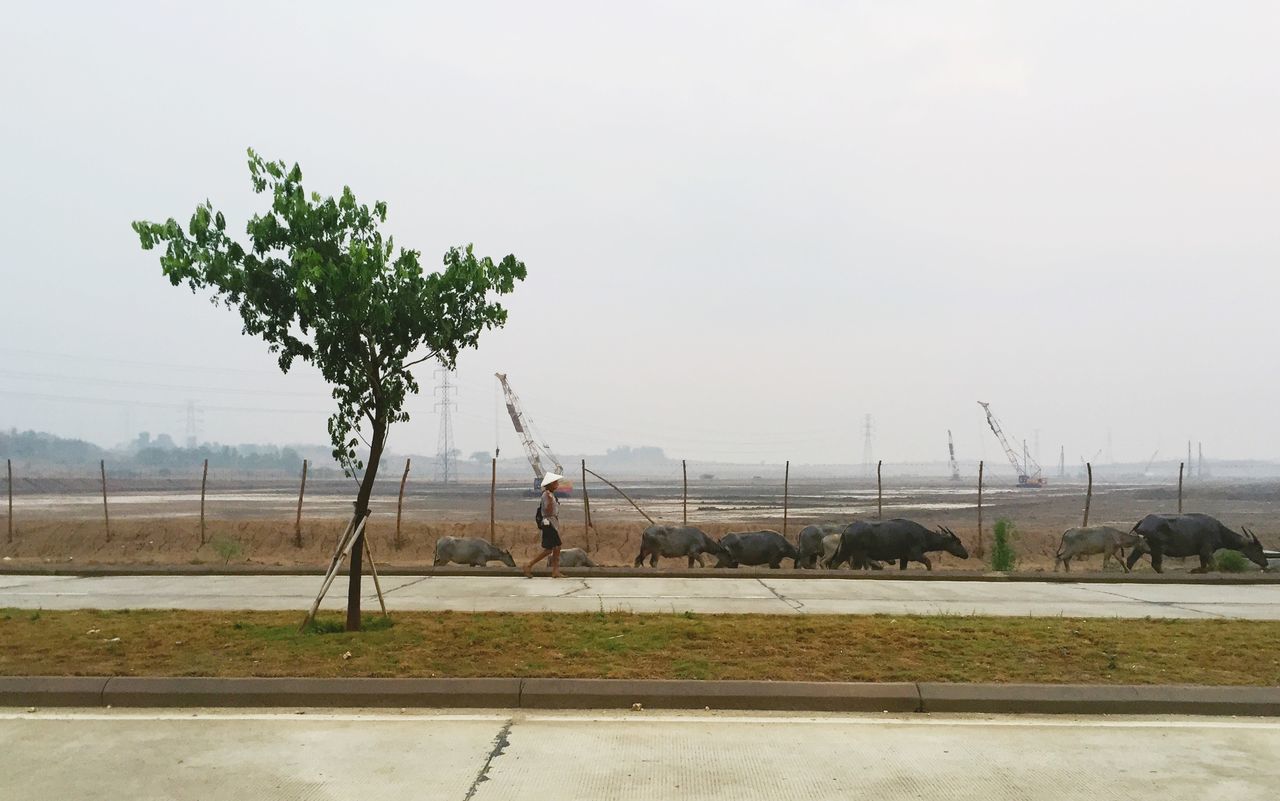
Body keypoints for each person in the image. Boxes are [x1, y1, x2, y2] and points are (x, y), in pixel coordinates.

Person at [524, 472, 563, 578]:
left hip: (552, 523)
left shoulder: (550, 494)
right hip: (548, 523)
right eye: (555, 482)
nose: (557, 484)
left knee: (555, 547)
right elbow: (548, 510)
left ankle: (555, 570)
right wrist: (551, 502)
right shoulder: (547, 495)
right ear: (550, 484)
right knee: (553, 548)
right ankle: (529, 565)